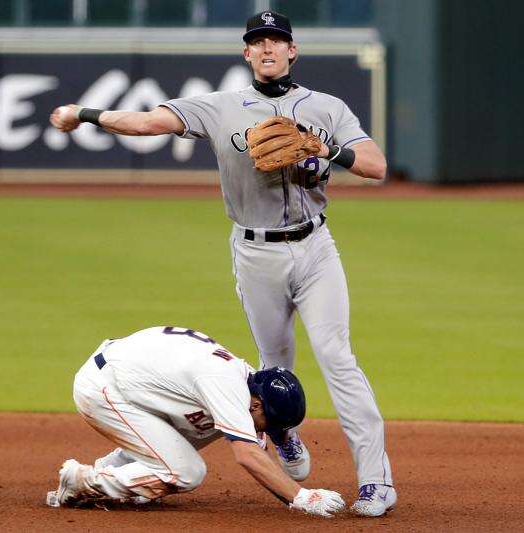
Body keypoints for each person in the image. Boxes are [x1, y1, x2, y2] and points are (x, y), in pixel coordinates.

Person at [49, 10, 395, 517]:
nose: (268, 48)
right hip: (255, 251)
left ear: (293, 50)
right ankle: (282, 430)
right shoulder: (220, 107)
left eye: (277, 40)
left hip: (316, 247)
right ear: (247, 53)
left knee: (337, 356)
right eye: (258, 42)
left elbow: (376, 167)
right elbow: (147, 123)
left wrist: (328, 151)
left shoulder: (327, 107)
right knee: (273, 361)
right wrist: (85, 114)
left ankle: (376, 482)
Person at [47, 326, 345, 518]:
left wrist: (294, 494)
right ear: (257, 404)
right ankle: (84, 481)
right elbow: (248, 455)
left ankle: (113, 472)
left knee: (207, 422)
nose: (264, 430)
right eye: (268, 423)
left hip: (128, 380)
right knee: (185, 473)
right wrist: (303, 497)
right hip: (102, 388)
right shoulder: (226, 385)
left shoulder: (244, 385)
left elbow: (258, 451)